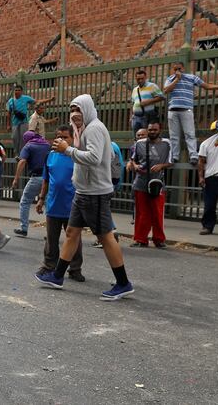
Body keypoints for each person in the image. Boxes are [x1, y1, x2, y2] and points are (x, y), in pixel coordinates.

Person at [35, 94, 135, 301]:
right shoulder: (85, 130)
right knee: (72, 232)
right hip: (84, 192)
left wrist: (68, 149)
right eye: (72, 110)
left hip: (95, 193)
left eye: (78, 109)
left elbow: (95, 158)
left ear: (87, 109)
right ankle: (57, 276)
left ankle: (123, 283)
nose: (74, 114)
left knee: (105, 237)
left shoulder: (94, 129)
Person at [35, 125, 84, 281]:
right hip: (53, 205)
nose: (61, 140)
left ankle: (75, 269)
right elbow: (46, 180)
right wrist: (41, 199)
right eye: (58, 137)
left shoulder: (77, 156)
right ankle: (49, 266)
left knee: (74, 240)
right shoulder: (50, 156)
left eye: (65, 137)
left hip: (73, 207)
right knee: (51, 240)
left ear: (72, 139)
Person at [163, 61, 218, 165]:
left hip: (186, 110)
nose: (177, 71)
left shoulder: (191, 77)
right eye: (175, 69)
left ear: (183, 68)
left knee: (190, 134)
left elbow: (206, 86)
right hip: (173, 111)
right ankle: (174, 156)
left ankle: (193, 156)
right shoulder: (170, 79)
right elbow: (166, 90)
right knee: (174, 136)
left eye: (179, 69)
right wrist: (177, 79)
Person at [129, 122, 172, 248]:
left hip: (157, 183)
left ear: (160, 130)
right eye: (150, 130)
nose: (152, 132)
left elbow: (171, 162)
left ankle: (159, 239)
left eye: (155, 129)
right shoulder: (139, 143)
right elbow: (133, 159)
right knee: (142, 213)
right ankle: (140, 239)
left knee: (158, 213)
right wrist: (135, 166)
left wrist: (161, 166)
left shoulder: (166, 143)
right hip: (141, 181)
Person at [11, 131, 51, 237]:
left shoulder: (28, 146)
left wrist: (16, 179)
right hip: (49, 179)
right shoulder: (47, 144)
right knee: (48, 204)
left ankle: (23, 228)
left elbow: (22, 161)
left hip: (36, 178)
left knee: (25, 202)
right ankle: (50, 232)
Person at [6, 85, 54, 156]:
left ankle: (22, 154)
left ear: (21, 91)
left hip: (24, 122)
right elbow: (8, 113)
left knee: (23, 138)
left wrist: (50, 99)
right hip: (15, 123)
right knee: (15, 138)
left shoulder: (25, 98)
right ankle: (16, 154)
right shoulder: (11, 101)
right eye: (16, 90)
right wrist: (8, 125)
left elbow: (37, 101)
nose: (17, 91)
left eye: (19, 90)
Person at [130, 70, 165, 135]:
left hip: (147, 116)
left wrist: (148, 102)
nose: (140, 80)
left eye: (142, 78)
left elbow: (161, 97)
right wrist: (131, 117)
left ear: (145, 77)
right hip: (135, 117)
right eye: (138, 79)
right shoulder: (135, 89)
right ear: (135, 79)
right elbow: (132, 103)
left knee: (147, 136)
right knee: (136, 136)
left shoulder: (152, 86)